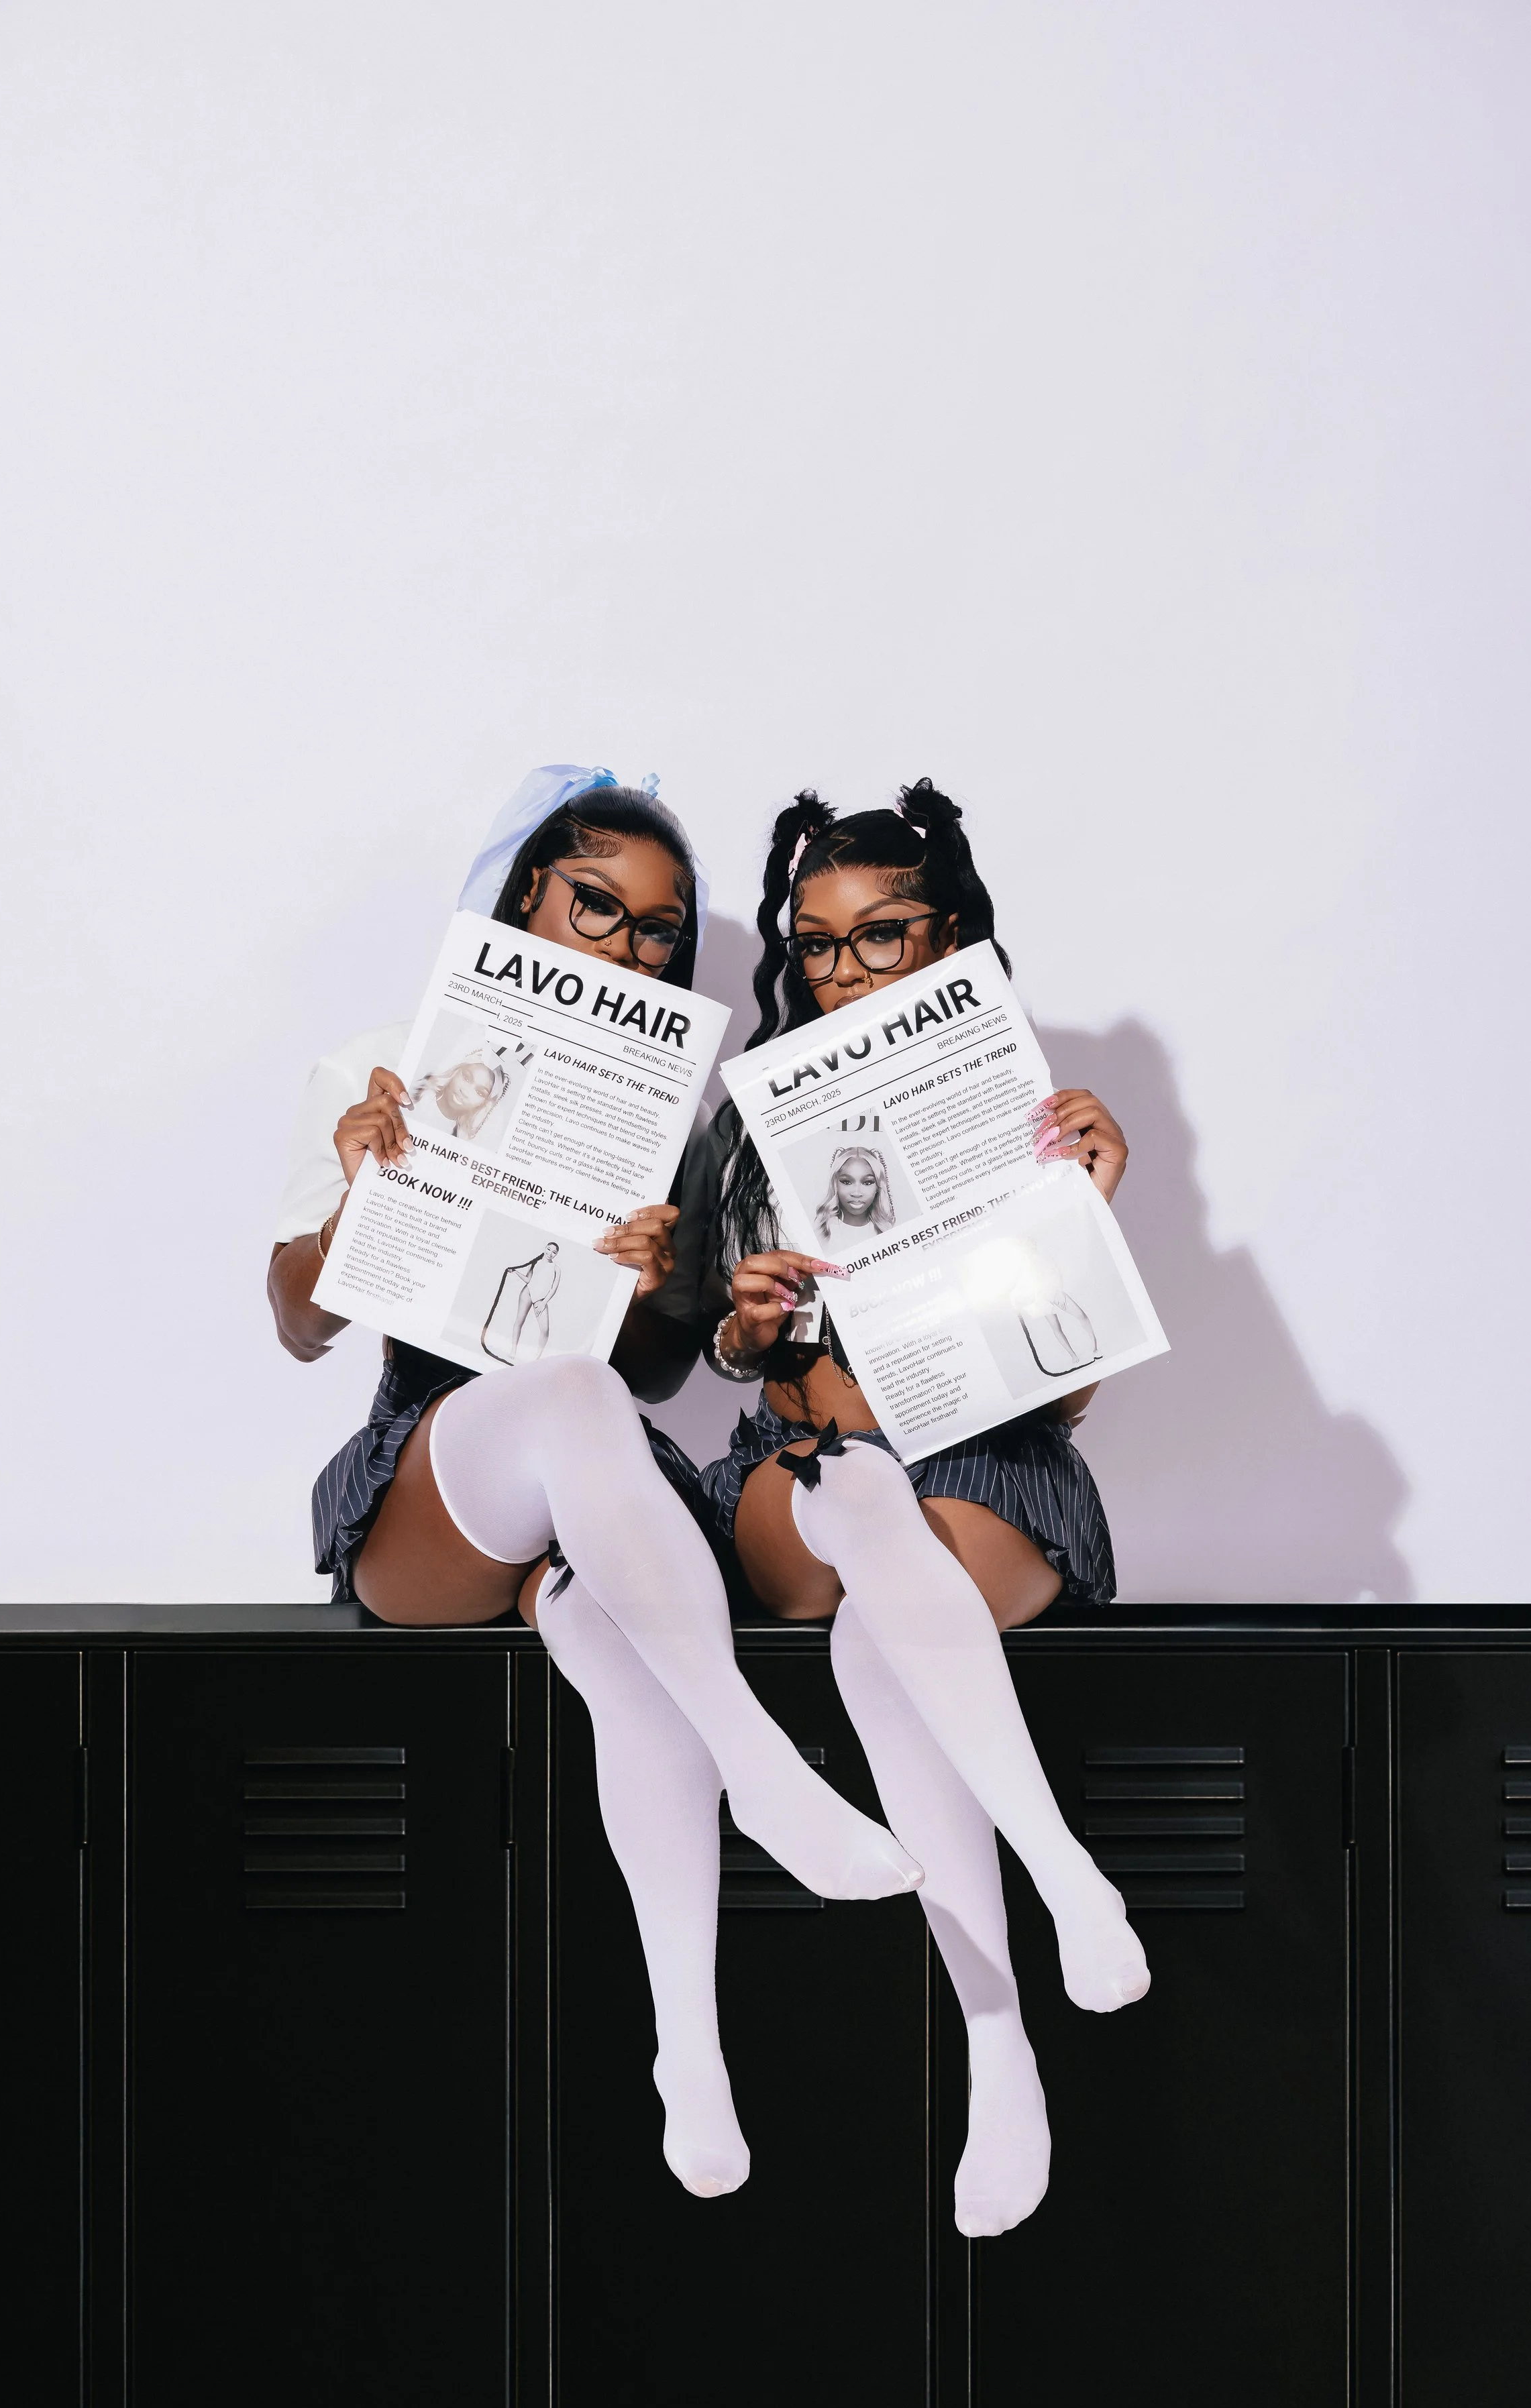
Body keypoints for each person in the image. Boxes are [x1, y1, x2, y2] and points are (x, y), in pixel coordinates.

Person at [268, 766, 922, 2201]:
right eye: (596, 908)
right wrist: (360, 1189)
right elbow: (300, 1320)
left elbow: (652, 1374)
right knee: (559, 1401)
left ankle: (687, 2051)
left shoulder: (667, 1126)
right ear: (524, 898)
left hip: (590, 1497)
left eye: (656, 932)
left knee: (609, 1630)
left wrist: (640, 1287)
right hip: (436, 1482)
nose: (625, 947)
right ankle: (764, 1768)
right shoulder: (388, 1060)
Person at [661, 779, 1149, 2238]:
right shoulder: (749, 1118)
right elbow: (708, 1352)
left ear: (950, 938)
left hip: (977, 1471)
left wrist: (1087, 1218)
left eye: (881, 937)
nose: (840, 969)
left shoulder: (1026, 1109)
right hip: (790, 1478)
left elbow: (1057, 1398)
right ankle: (1060, 1869)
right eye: (816, 943)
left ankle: (998, 2048)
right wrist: (745, 1324)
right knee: (848, 1487)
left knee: (882, 1630)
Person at [813, 1144, 896, 1250]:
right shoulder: (821, 1231)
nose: (857, 1193)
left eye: (867, 1183)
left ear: (878, 1187)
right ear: (835, 1185)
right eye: (847, 1182)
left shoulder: (888, 1230)